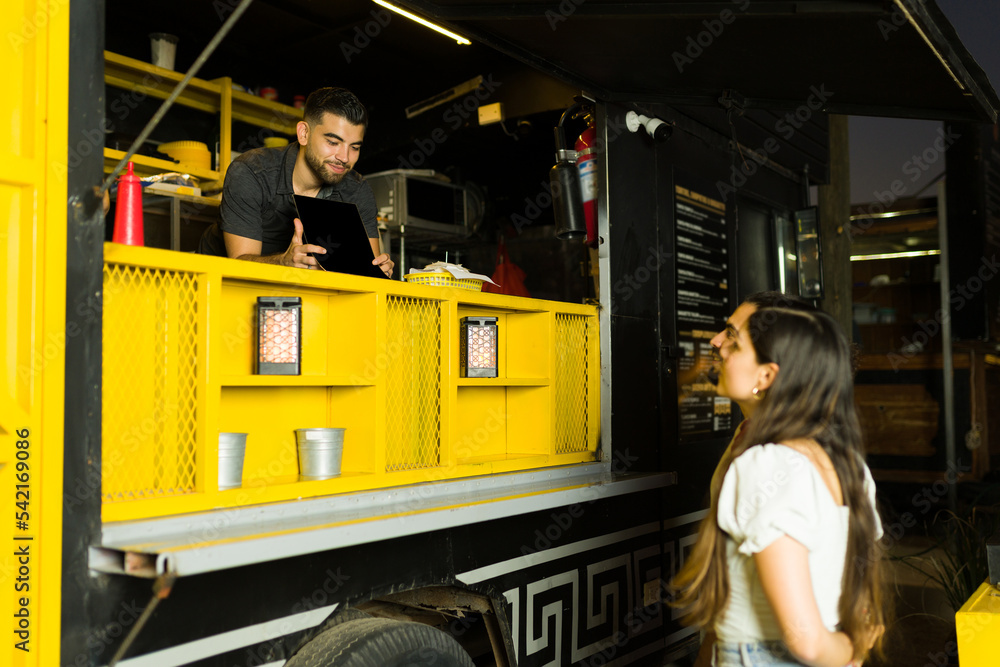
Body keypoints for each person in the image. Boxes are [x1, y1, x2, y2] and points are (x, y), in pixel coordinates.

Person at [671, 306, 887, 667]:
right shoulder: (847, 463)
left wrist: (851, 649)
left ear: (767, 376)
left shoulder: (769, 465)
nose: (720, 348)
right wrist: (851, 649)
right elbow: (860, 583)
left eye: (736, 345)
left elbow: (806, 641)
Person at [198, 87, 394, 277]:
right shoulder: (251, 172)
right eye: (333, 142)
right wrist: (284, 263)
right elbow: (238, 264)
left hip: (302, 292)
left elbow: (364, 274)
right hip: (218, 283)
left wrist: (376, 271)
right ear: (304, 134)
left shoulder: (357, 191)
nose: (344, 157)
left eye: (355, 147)